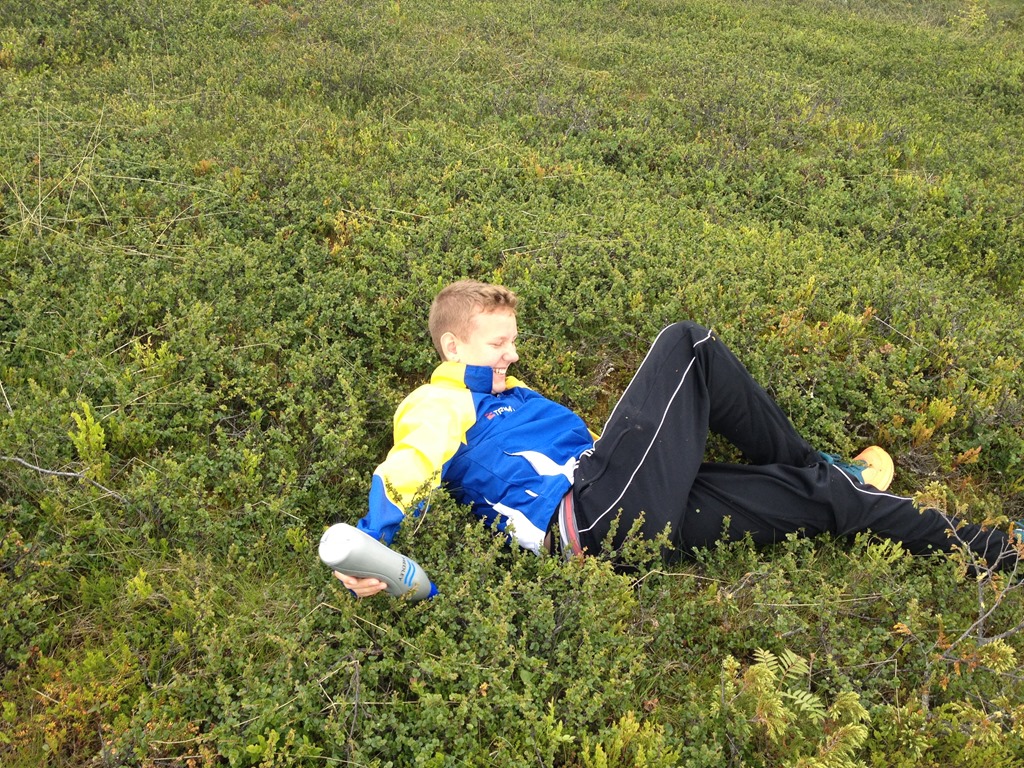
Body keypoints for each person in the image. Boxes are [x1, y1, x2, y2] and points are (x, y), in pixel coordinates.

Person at [335, 279, 1018, 597]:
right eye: (497, 344)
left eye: (514, 340)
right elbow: (409, 466)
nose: (512, 353)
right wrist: (371, 547)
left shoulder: (515, 396)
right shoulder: (439, 401)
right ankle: (821, 463)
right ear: (454, 346)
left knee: (821, 499)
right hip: (586, 519)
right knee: (687, 344)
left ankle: (1003, 548)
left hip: (633, 516)